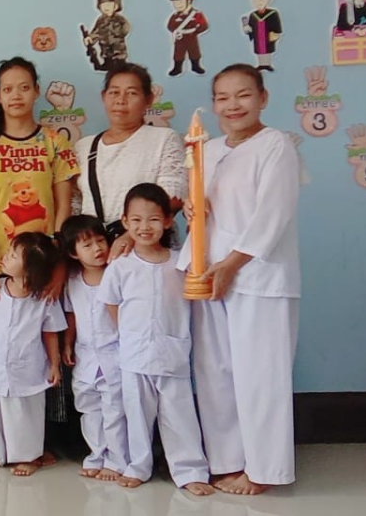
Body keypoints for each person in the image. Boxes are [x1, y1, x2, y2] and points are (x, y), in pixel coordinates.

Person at [179, 64, 300, 495]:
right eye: (223, 98)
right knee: (215, 370)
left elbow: (274, 214)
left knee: (260, 374)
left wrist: (231, 264)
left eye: (243, 95)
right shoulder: (207, 150)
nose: (233, 105)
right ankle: (227, 461)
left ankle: (263, 469)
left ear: (263, 98)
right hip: (207, 272)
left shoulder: (276, 146)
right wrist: (193, 212)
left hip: (257, 278)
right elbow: (202, 206)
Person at [98, 184, 213, 495]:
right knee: (136, 414)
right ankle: (138, 466)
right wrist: (127, 332)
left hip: (172, 353)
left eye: (151, 220)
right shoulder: (120, 267)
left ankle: (190, 471)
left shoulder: (180, 263)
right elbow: (110, 302)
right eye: (135, 220)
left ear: (166, 222)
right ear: (124, 222)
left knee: (179, 415)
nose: (143, 227)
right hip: (134, 356)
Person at [0, 56, 79, 304]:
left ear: (37, 91)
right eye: (8, 89)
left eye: (24, 87)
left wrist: (60, 264)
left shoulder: (56, 142)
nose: (16, 95)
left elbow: (64, 208)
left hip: (44, 264)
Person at [0, 232, 67, 477]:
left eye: (13, 255)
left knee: (27, 413)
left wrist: (54, 364)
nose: (5, 257)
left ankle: (29, 455)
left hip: (29, 368)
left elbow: (50, 333)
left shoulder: (44, 298)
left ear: (31, 269)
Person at [72, 62, 186, 258]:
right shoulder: (83, 147)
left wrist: (130, 236)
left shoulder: (164, 139)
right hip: (94, 257)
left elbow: (172, 197)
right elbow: (75, 203)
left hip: (148, 252)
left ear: (148, 99)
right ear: (103, 97)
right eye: (114, 92)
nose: (121, 100)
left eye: (132, 93)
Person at [58, 215, 126, 482]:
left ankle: (117, 460)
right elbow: (71, 314)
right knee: (89, 406)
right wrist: (67, 343)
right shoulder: (73, 280)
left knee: (115, 408)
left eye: (100, 241)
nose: (98, 248)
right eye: (87, 245)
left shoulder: (116, 273)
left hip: (115, 352)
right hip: (85, 353)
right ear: (73, 253)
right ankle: (96, 454)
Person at [167, 0, 210, 77]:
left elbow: (204, 25)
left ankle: (196, 66)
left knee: (194, 52)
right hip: (180, 38)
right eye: (175, 2)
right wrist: (176, 31)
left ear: (188, 1)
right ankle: (177, 68)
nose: (178, 4)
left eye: (180, 1)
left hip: (191, 37)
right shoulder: (175, 15)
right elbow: (170, 25)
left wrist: (195, 30)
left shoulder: (196, 14)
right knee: (178, 53)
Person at [243, 0, 282, 72]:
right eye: (256, 0)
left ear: (268, 0)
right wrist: (247, 29)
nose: (259, 2)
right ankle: (261, 64)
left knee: (267, 50)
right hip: (258, 37)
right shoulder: (253, 15)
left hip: (267, 36)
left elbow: (276, 26)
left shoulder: (273, 13)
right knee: (259, 50)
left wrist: (276, 33)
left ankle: (267, 64)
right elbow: (251, 28)